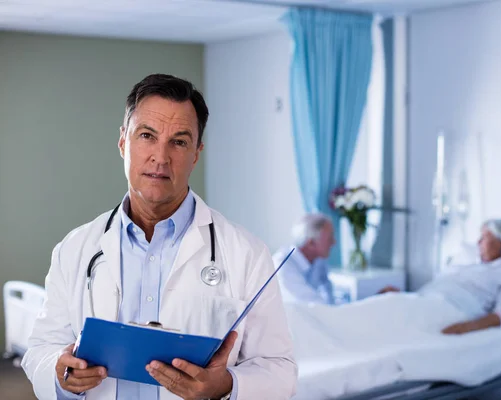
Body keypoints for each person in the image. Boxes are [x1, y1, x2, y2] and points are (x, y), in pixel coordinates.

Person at [21, 74, 297, 400]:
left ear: (196, 153)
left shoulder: (246, 254)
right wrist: (60, 373)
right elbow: (41, 347)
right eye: (147, 135)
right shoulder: (75, 248)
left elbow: (281, 370)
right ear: (123, 141)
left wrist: (224, 386)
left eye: (179, 141)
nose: (160, 157)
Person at [418, 219, 501, 335]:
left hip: (453, 307)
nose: (478, 242)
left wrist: (468, 326)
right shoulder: (468, 260)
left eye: (485, 237)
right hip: (428, 297)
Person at [273, 213, 336, 305]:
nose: (334, 242)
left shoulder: (319, 260)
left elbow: (327, 292)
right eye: (329, 239)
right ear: (311, 243)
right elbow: (309, 302)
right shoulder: (282, 264)